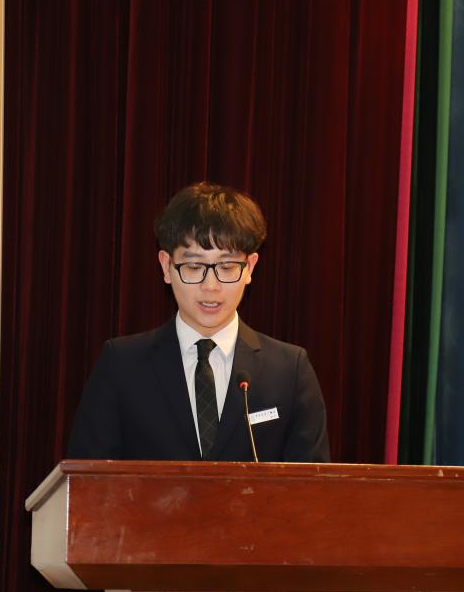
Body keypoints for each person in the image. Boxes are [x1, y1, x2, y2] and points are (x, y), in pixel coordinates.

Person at [67, 182, 330, 462]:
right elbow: (86, 477)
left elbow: (312, 482)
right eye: (194, 267)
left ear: (250, 267)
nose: (211, 286)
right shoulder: (122, 365)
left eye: (227, 267)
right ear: (166, 266)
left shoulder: (289, 370)